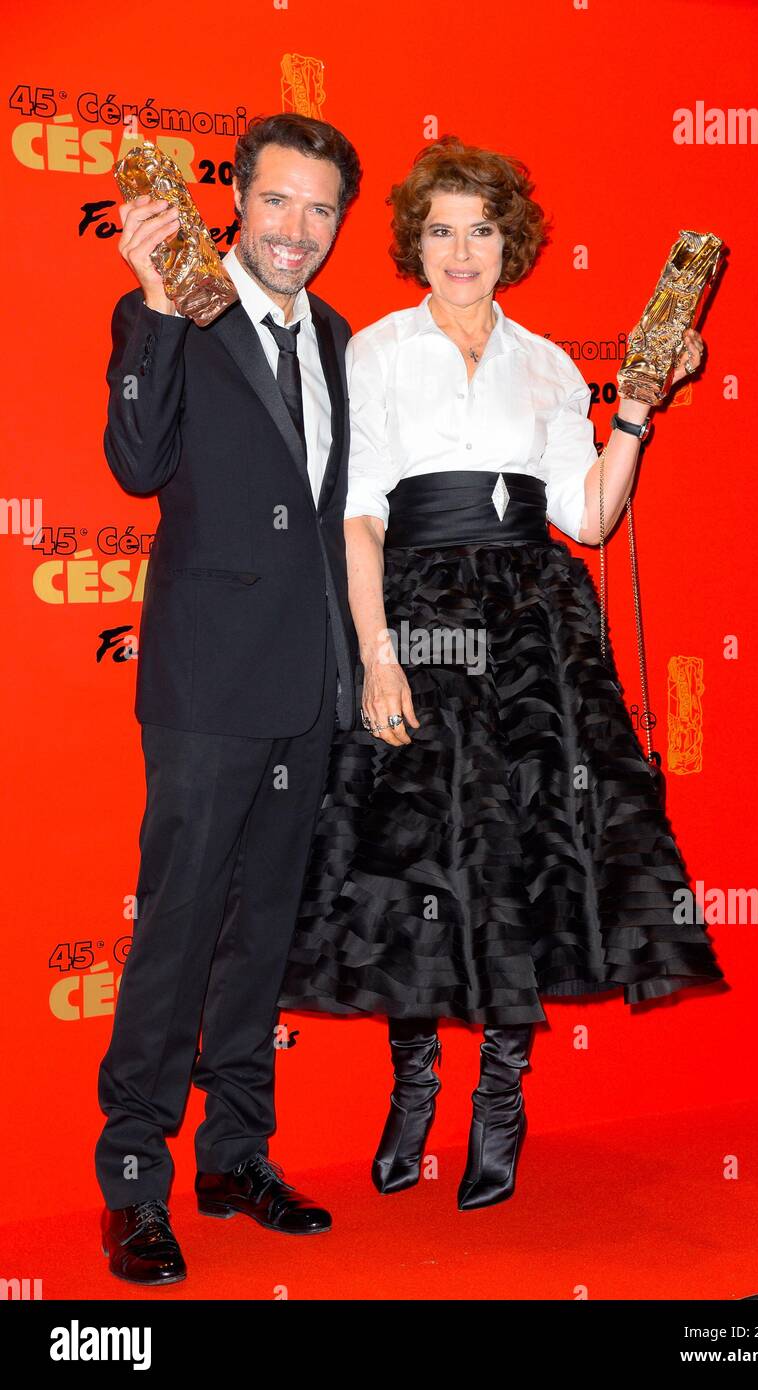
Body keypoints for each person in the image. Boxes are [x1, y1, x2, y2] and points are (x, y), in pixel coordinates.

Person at [277, 134, 726, 1211]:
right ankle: (415, 1082)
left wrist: (634, 411)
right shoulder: (375, 351)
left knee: (525, 849)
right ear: (413, 244)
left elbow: (589, 515)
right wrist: (378, 651)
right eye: (440, 230)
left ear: (508, 242)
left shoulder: (550, 365)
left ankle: (505, 1096)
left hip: (536, 622)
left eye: (480, 229)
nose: (461, 250)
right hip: (423, 615)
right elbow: (358, 514)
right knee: (418, 849)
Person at [95, 112, 361, 1285]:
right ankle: (136, 1182)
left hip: (308, 683)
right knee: (178, 930)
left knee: (260, 939)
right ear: (235, 203)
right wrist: (152, 301)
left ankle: (234, 1157)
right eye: (277, 202)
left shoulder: (344, 336)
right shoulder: (173, 314)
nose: (297, 229)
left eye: (321, 209)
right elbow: (137, 465)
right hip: (206, 681)